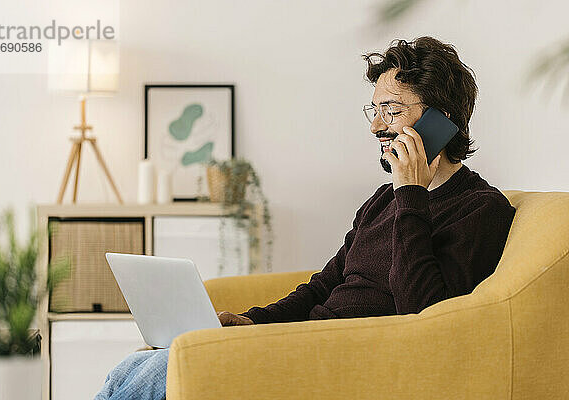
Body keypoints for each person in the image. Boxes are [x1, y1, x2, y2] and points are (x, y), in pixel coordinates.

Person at [94, 36, 516, 399]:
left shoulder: (480, 209)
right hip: (308, 343)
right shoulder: (381, 202)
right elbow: (325, 286)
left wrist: (411, 193)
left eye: (391, 110)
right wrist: (251, 321)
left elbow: (424, 316)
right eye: (375, 111)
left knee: (160, 372)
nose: (375, 129)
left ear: (440, 121)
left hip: (352, 357)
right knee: (140, 365)